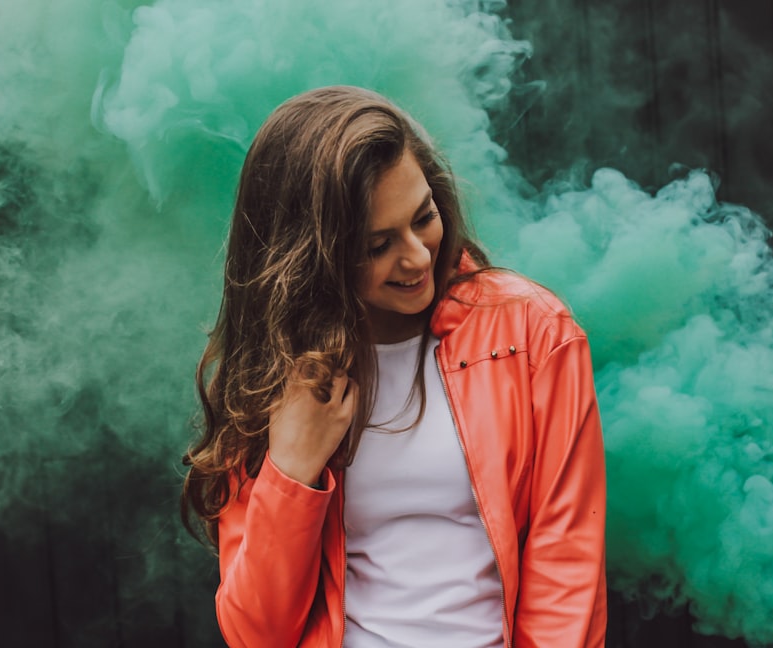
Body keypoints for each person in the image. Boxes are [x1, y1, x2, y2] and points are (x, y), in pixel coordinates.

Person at [181, 85, 607, 647]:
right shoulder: (278, 373)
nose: (417, 256)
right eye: (377, 245)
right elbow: (258, 634)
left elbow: (567, 561)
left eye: (423, 217)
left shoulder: (533, 332)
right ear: (314, 255)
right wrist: (291, 468)